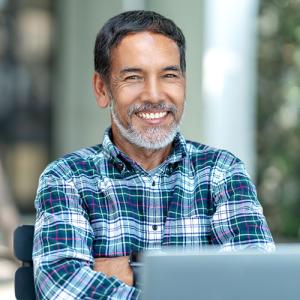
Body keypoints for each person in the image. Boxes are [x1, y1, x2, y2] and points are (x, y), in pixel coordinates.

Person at [33, 10, 274, 299]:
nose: (154, 95)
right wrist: (201, 281)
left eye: (169, 75)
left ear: (184, 83)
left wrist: (133, 270)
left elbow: (256, 285)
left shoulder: (222, 172)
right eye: (133, 77)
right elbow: (62, 287)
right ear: (102, 88)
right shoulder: (67, 178)